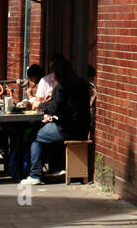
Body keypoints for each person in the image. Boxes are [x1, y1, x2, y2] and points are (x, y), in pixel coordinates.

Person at [20, 58, 90, 187]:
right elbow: (69, 107)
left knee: (35, 136)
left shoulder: (61, 87)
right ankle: (56, 168)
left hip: (67, 129)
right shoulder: (82, 84)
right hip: (83, 128)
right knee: (48, 132)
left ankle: (35, 175)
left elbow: (54, 109)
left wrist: (39, 104)